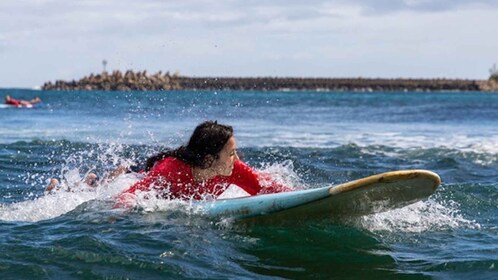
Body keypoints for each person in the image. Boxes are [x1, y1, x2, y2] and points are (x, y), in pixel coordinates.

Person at [115, 121, 292, 206]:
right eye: (231, 154)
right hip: (142, 172)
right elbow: (131, 192)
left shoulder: (232, 170)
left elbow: (267, 188)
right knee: (122, 175)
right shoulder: (171, 170)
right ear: (209, 159)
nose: (237, 160)